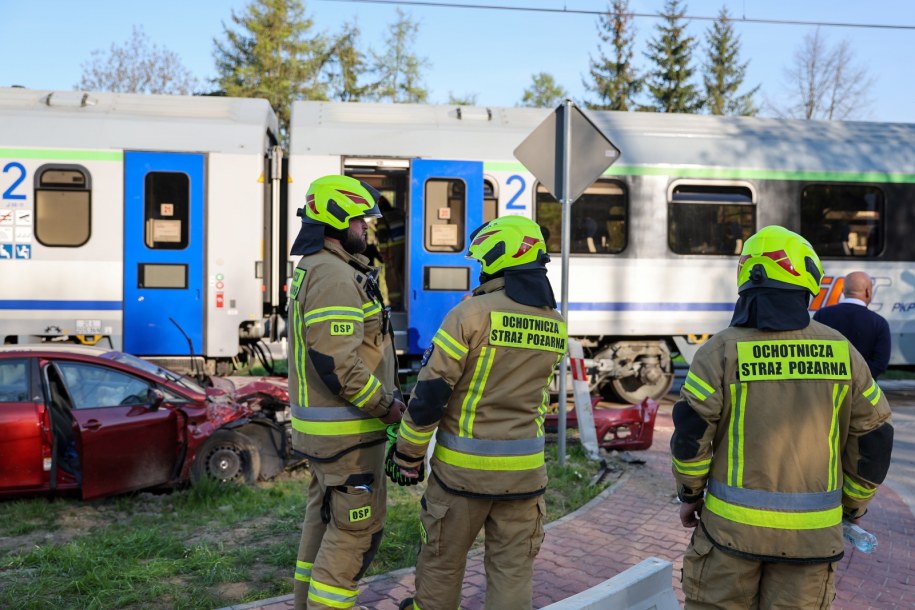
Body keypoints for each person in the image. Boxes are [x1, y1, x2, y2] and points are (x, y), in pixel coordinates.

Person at [671, 226, 894, 609]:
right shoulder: (844, 353)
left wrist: (690, 493)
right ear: (807, 279)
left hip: (728, 538)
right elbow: (875, 436)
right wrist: (853, 506)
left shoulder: (719, 351)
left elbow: (692, 434)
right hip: (810, 543)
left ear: (746, 279)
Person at [389, 215, 566, 610]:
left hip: (462, 477)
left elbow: (430, 396)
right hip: (525, 477)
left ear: (495, 259)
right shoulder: (555, 324)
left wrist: (407, 455)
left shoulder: (470, 315)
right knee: (513, 572)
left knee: (441, 565)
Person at [287, 175, 405, 610]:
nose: (366, 228)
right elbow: (339, 364)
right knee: (356, 536)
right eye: (360, 220)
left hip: (327, 437)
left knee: (322, 528)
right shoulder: (334, 276)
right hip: (348, 439)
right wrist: (388, 407)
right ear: (338, 220)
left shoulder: (320, 267)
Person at [813, 271, 891, 378]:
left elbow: (813, 351)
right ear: (868, 291)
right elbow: (880, 363)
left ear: (843, 291)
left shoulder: (821, 315)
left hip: (828, 386)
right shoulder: (879, 323)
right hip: (863, 389)